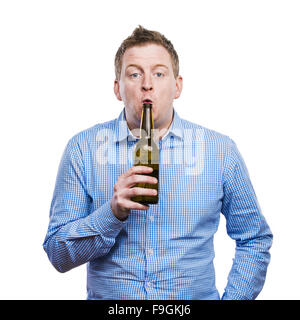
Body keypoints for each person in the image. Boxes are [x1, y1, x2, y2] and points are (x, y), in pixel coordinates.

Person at [43, 25, 273, 300]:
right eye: (134, 73)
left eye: (159, 73)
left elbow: (254, 238)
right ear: (117, 89)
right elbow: (58, 253)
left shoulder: (220, 151)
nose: (147, 84)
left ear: (178, 86)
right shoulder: (82, 149)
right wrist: (112, 213)